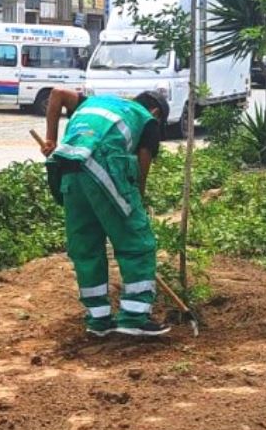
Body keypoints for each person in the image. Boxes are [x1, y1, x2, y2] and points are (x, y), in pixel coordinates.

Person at [40, 87, 171, 339]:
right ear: (155, 112)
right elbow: (142, 166)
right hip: (102, 164)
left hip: (67, 168)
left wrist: (51, 140)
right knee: (137, 242)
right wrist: (136, 206)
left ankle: (98, 320)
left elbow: (56, 94)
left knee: (87, 248)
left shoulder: (97, 102)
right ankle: (134, 317)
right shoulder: (147, 120)